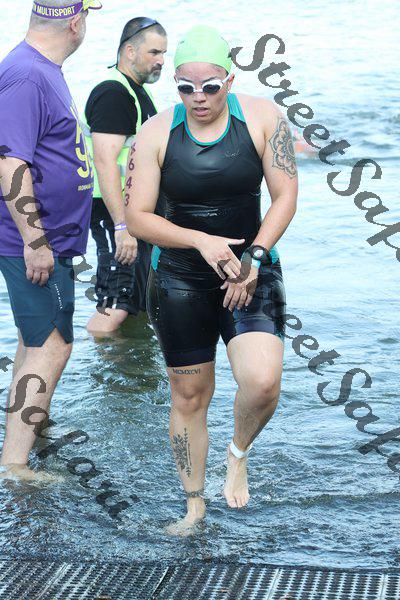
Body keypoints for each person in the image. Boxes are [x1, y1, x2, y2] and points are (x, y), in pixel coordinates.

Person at [124, 25, 298, 535]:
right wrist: (200, 240)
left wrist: (255, 258)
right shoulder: (156, 132)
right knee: (190, 397)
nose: (197, 97)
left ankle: (237, 452)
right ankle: (194, 506)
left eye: (210, 86)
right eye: (185, 87)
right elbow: (137, 217)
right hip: (179, 278)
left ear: (229, 81)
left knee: (262, 383)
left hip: (251, 270)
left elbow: (286, 196)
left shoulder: (263, 118)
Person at [0, 0, 102, 481]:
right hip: (35, 240)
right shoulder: (26, 75)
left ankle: (31, 429)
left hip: (50, 239)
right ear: (75, 23)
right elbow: (9, 161)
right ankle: (14, 464)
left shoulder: (42, 69)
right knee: (52, 347)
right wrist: (35, 239)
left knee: (35, 340)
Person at [83, 17, 167, 334]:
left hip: (133, 213)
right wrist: (122, 226)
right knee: (114, 303)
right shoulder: (114, 93)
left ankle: (123, 362)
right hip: (113, 211)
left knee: (135, 302)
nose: (161, 61)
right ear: (129, 51)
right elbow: (104, 161)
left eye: (164, 53)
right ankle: (90, 360)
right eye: (154, 52)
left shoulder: (136, 92)